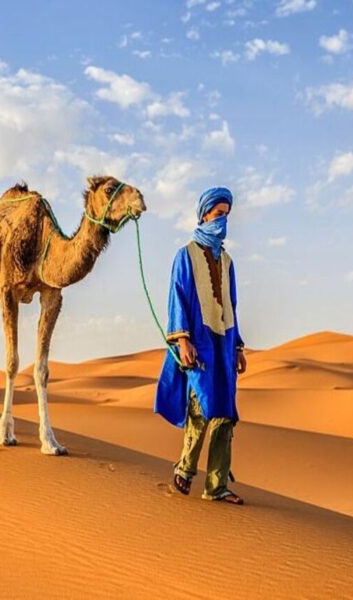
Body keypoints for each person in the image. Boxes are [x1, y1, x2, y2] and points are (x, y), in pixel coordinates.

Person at [155, 186, 246, 504]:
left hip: (224, 342)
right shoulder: (186, 254)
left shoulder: (228, 261)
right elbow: (177, 297)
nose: (223, 222)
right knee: (200, 407)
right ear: (205, 215)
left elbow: (232, 304)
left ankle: (217, 485)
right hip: (199, 341)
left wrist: (238, 347)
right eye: (219, 215)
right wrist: (182, 340)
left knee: (225, 414)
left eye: (226, 216)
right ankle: (184, 470)